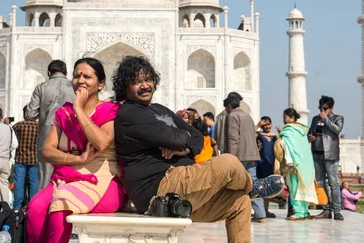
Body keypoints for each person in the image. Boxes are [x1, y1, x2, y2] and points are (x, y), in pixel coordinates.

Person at [113, 56, 283, 243]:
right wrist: (179, 138)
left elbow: (197, 138)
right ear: (124, 88)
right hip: (159, 186)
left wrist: (183, 150)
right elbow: (176, 137)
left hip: (184, 182)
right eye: (137, 82)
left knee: (239, 203)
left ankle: (249, 192)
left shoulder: (159, 109)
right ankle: (253, 188)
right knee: (229, 163)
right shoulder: (129, 114)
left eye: (148, 80)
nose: (144, 86)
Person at [26, 58, 126, 243]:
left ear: (100, 84)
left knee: (62, 203)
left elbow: (101, 143)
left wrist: (78, 109)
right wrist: (79, 160)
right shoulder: (64, 113)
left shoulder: (109, 110)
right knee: (35, 208)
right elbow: (47, 151)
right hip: (68, 178)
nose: (80, 80)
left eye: (87, 76)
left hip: (104, 182)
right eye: (76, 76)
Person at [27, 59, 76, 190]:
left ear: (49, 73)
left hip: (47, 137)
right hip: (70, 138)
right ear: (66, 73)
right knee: (68, 177)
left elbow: (30, 114)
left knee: (45, 178)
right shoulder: (74, 86)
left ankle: (43, 208)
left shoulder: (41, 87)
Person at [226, 95, 266, 223]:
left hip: (240, 155)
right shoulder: (247, 116)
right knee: (253, 184)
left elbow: (233, 138)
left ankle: (236, 211)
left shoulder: (232, 116)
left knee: (237, 184)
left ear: (229, 107)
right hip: (252, 154)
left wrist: (232, 157)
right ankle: (260, 213)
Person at [308, 95, 344, 220]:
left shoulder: (338, 118)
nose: (322, 111)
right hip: (317, 154)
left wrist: (325, 120)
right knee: (321, 183)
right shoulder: (314, 119)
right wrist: (310, 137)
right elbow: (310, 132)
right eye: (321, 108)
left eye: (325, 108)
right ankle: (326, 209)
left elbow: (337, 130)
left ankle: (337, 210)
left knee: (333, 183)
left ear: (331, 108)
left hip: (330, 154)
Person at [277, 108, 317, 221]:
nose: (283, 120)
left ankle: (299, 212)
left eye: (285, 117)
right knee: (304, 187)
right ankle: (304, 212)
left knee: (295, 187)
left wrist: (280, 137)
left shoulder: (288, 130)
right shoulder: (303, 130)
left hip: (294, 163)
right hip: (305, 162)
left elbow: (285, 144)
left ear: (292, 118)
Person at [12, 105, 39, 210]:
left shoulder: (19, 125)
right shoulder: (39, 127)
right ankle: (33, 206)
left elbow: (11, 137)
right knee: (34, 183)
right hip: (34, 159)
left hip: (20, 159)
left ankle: (17, 207)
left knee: (19, 183)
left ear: (25, 114)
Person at [256, 116, 278, 218]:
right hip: (261, 164)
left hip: (271, 164)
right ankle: (260, 211)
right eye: (265, 125)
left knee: (269, 188)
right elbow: (249, 135)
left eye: (269, 124)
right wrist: (258, 125)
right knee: (260, 188)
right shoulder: (258, 135)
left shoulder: (275, 136)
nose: (267, 126)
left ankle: (266, 209)